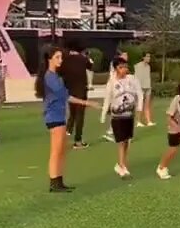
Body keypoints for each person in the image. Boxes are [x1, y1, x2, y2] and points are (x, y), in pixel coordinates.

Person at [35, 47, 96, 192]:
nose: (60, 60)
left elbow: (66, 96)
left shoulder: (55, 76)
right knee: (56, 151)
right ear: (50, 59)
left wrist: (86, 102)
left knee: (61, 150)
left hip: (59, 115)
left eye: (61, 57)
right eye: (57, 57)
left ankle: (58, 180)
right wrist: (86, 102)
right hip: (54, 117)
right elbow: (65, 95)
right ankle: (54, 182)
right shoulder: (50, 76)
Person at [101, 58, 144, 178]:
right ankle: (121, 166)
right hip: (117, 116)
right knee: (120, 141)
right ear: (115, 69)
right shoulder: (112, 83)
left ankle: (122, 163)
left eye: (125, 66)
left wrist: (139, 108)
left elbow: (139, 93)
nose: (124, 69)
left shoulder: (132, 79)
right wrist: (103, 115)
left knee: (127, 141)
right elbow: (107, 99)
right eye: (121, 67)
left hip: (129, 115)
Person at [60, 42, 91, 149]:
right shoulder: (83, 59)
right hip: (81, 91)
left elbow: (60, 73)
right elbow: (91, 66)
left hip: (69, 91)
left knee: (72, 112)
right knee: (80, 116)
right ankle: (78, 140)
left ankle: (67, 131)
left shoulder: (64, 59)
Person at [134, 52, 155, 127]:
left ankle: (148, 121)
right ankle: (138, 121)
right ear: (143, 57)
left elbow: (148, 77)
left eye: (149, 57)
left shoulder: (148, 66)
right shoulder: (138, 66)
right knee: (139, 105)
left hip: (147, 87)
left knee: (147, 105)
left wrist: (149, 86)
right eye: (147, 56)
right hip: (140, 88)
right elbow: (136, 78)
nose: (148, 58)